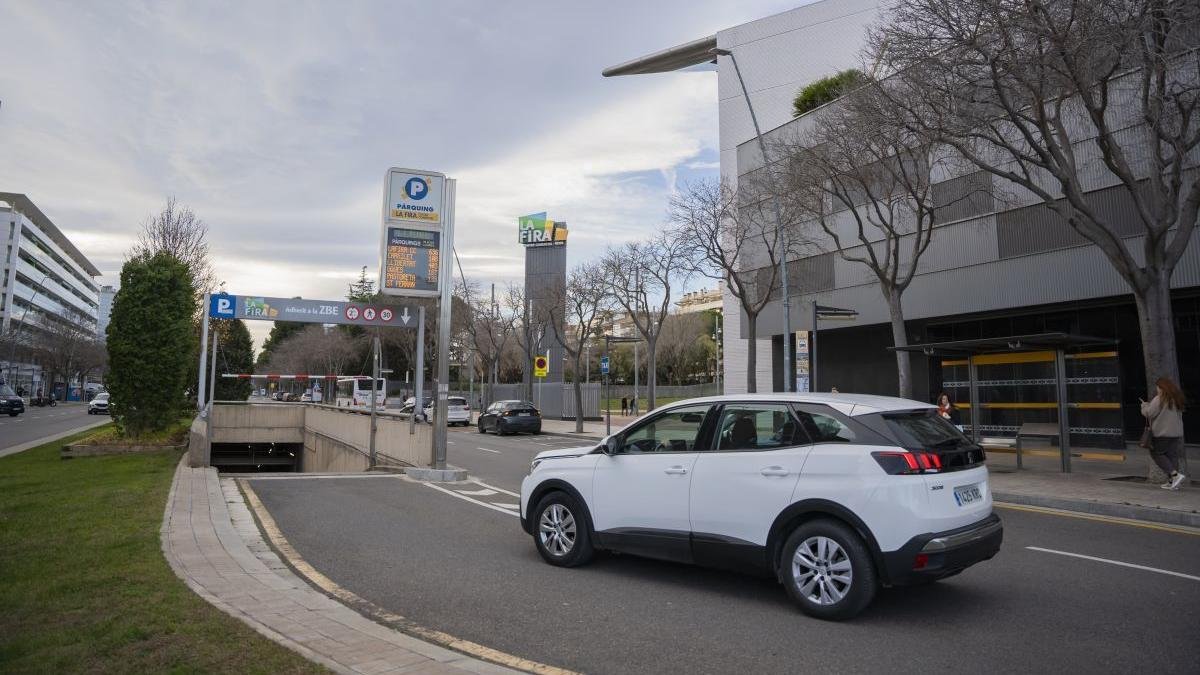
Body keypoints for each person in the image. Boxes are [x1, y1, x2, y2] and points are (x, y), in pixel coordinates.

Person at [1140, 377, 1188, 490]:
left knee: (1156, 453)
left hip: (1162, 432)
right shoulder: (1176, 398)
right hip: (1175, 433)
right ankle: (1173, 482)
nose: (1157, 389)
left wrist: (1144, 406)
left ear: (1162, 387)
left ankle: (1175, 476)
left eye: (1158, 387)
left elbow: (1149, 413)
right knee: (1172, 456)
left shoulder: (1160, 398)